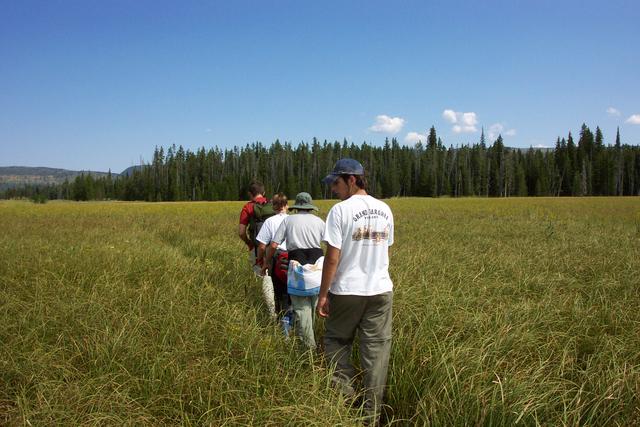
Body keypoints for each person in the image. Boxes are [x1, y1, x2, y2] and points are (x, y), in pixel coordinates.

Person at [316, 158, 394, 422]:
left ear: (351, 180)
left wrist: (324, 294)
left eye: (336, 183)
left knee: (336, 342)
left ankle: (348, 401)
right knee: (376, 352)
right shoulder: (385, 209)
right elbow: (386, 251)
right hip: (381, 291)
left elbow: (332, 258)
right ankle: (371, 416)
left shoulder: (340, 211)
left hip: (348, 290)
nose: (333, 189)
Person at [269, 192, 325, 351]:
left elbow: (274, 245)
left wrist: (267, 262)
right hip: (317, 269)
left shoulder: (288, 220)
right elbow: (332, 243)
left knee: (301, 309)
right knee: (313, 307)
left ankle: (309, 347)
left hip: (297, 267)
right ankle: (308, 341)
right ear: (310, 206)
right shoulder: (319, 222)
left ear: (297, 206)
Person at [238, 181, 276, 318]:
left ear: (250, 194)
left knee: (264, 277)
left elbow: (241, 232)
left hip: (258, 248)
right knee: (277, 276)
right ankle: (283, 308)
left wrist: (249, 243)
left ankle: (272, 313)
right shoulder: (274, 205)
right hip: (277, 247)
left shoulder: (248, 207)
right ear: (264, 192)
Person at [255, 193, 290, 318]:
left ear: (273, 207)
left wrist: (261, 260)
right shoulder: (292, 219)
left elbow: (262, 246)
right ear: (287, 205)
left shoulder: (269, 222)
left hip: (276, 258)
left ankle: (282, 322)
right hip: (293, 257)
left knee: (278, 292)